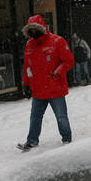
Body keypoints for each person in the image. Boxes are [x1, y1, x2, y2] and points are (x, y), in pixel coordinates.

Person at [17, 15, 75, 151]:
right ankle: (31, 141)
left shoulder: (57, 41)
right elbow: (27, 66)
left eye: (35, 30)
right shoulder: (29, 45)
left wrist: (57, 73)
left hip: (55, 88)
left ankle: (67, 139)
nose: (32, 34)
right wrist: (26, 83)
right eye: (30, 31)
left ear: (41, 29)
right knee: (35, 117)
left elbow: (69, 61)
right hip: (38, 89)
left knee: (61, 116)